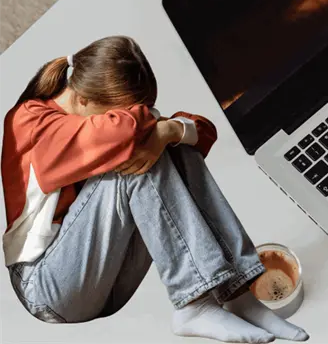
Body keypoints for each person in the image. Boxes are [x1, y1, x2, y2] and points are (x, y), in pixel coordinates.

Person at [1, 36, 309, 343]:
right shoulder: (30, 123)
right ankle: (195, 303)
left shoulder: (99, 119)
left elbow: (202, 133)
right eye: (116, 113)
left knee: (168, 146)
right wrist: (159, 128)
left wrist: (169, 131)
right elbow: (124, 131)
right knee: (137, 158)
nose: (130, 117)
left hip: (107, 284)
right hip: (46, 288)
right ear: (82, 99)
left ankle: (240, 294)